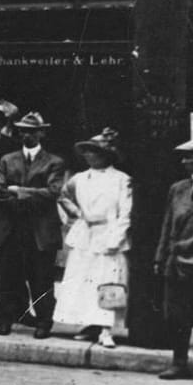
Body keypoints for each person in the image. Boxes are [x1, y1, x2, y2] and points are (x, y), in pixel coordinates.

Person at [55, 129, 132, 346]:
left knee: (107, 281)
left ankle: (106, 329)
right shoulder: (80, 178)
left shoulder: (121, 179)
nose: (89, 155)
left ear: (106, 155)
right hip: (86, 235)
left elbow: (126, 212)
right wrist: (78, 214)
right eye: (87, 152)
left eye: (94, 152)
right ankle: (91, 324)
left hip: (109, 233)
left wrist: (116, 238)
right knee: (84, 281)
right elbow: (63, 196)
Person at [0, 112, 66, 338]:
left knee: (41, 278)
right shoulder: (8, 159)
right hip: (11, 226)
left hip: (40, 229)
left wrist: (18, 191)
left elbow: (52, 192)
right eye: (23, 131)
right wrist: (27, 195)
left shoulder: (54, 162)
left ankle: (44, 321)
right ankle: (5, 318)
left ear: (41, 133)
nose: (27, 135)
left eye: (32, 131)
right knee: (7, 276)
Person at [154, 138, 193, 382]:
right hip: (178, 260)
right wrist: (160, 257)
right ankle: (179, 363)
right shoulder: (178, 188)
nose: (184, 161)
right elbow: (168, 225)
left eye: (190, 156)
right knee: (176, 315)